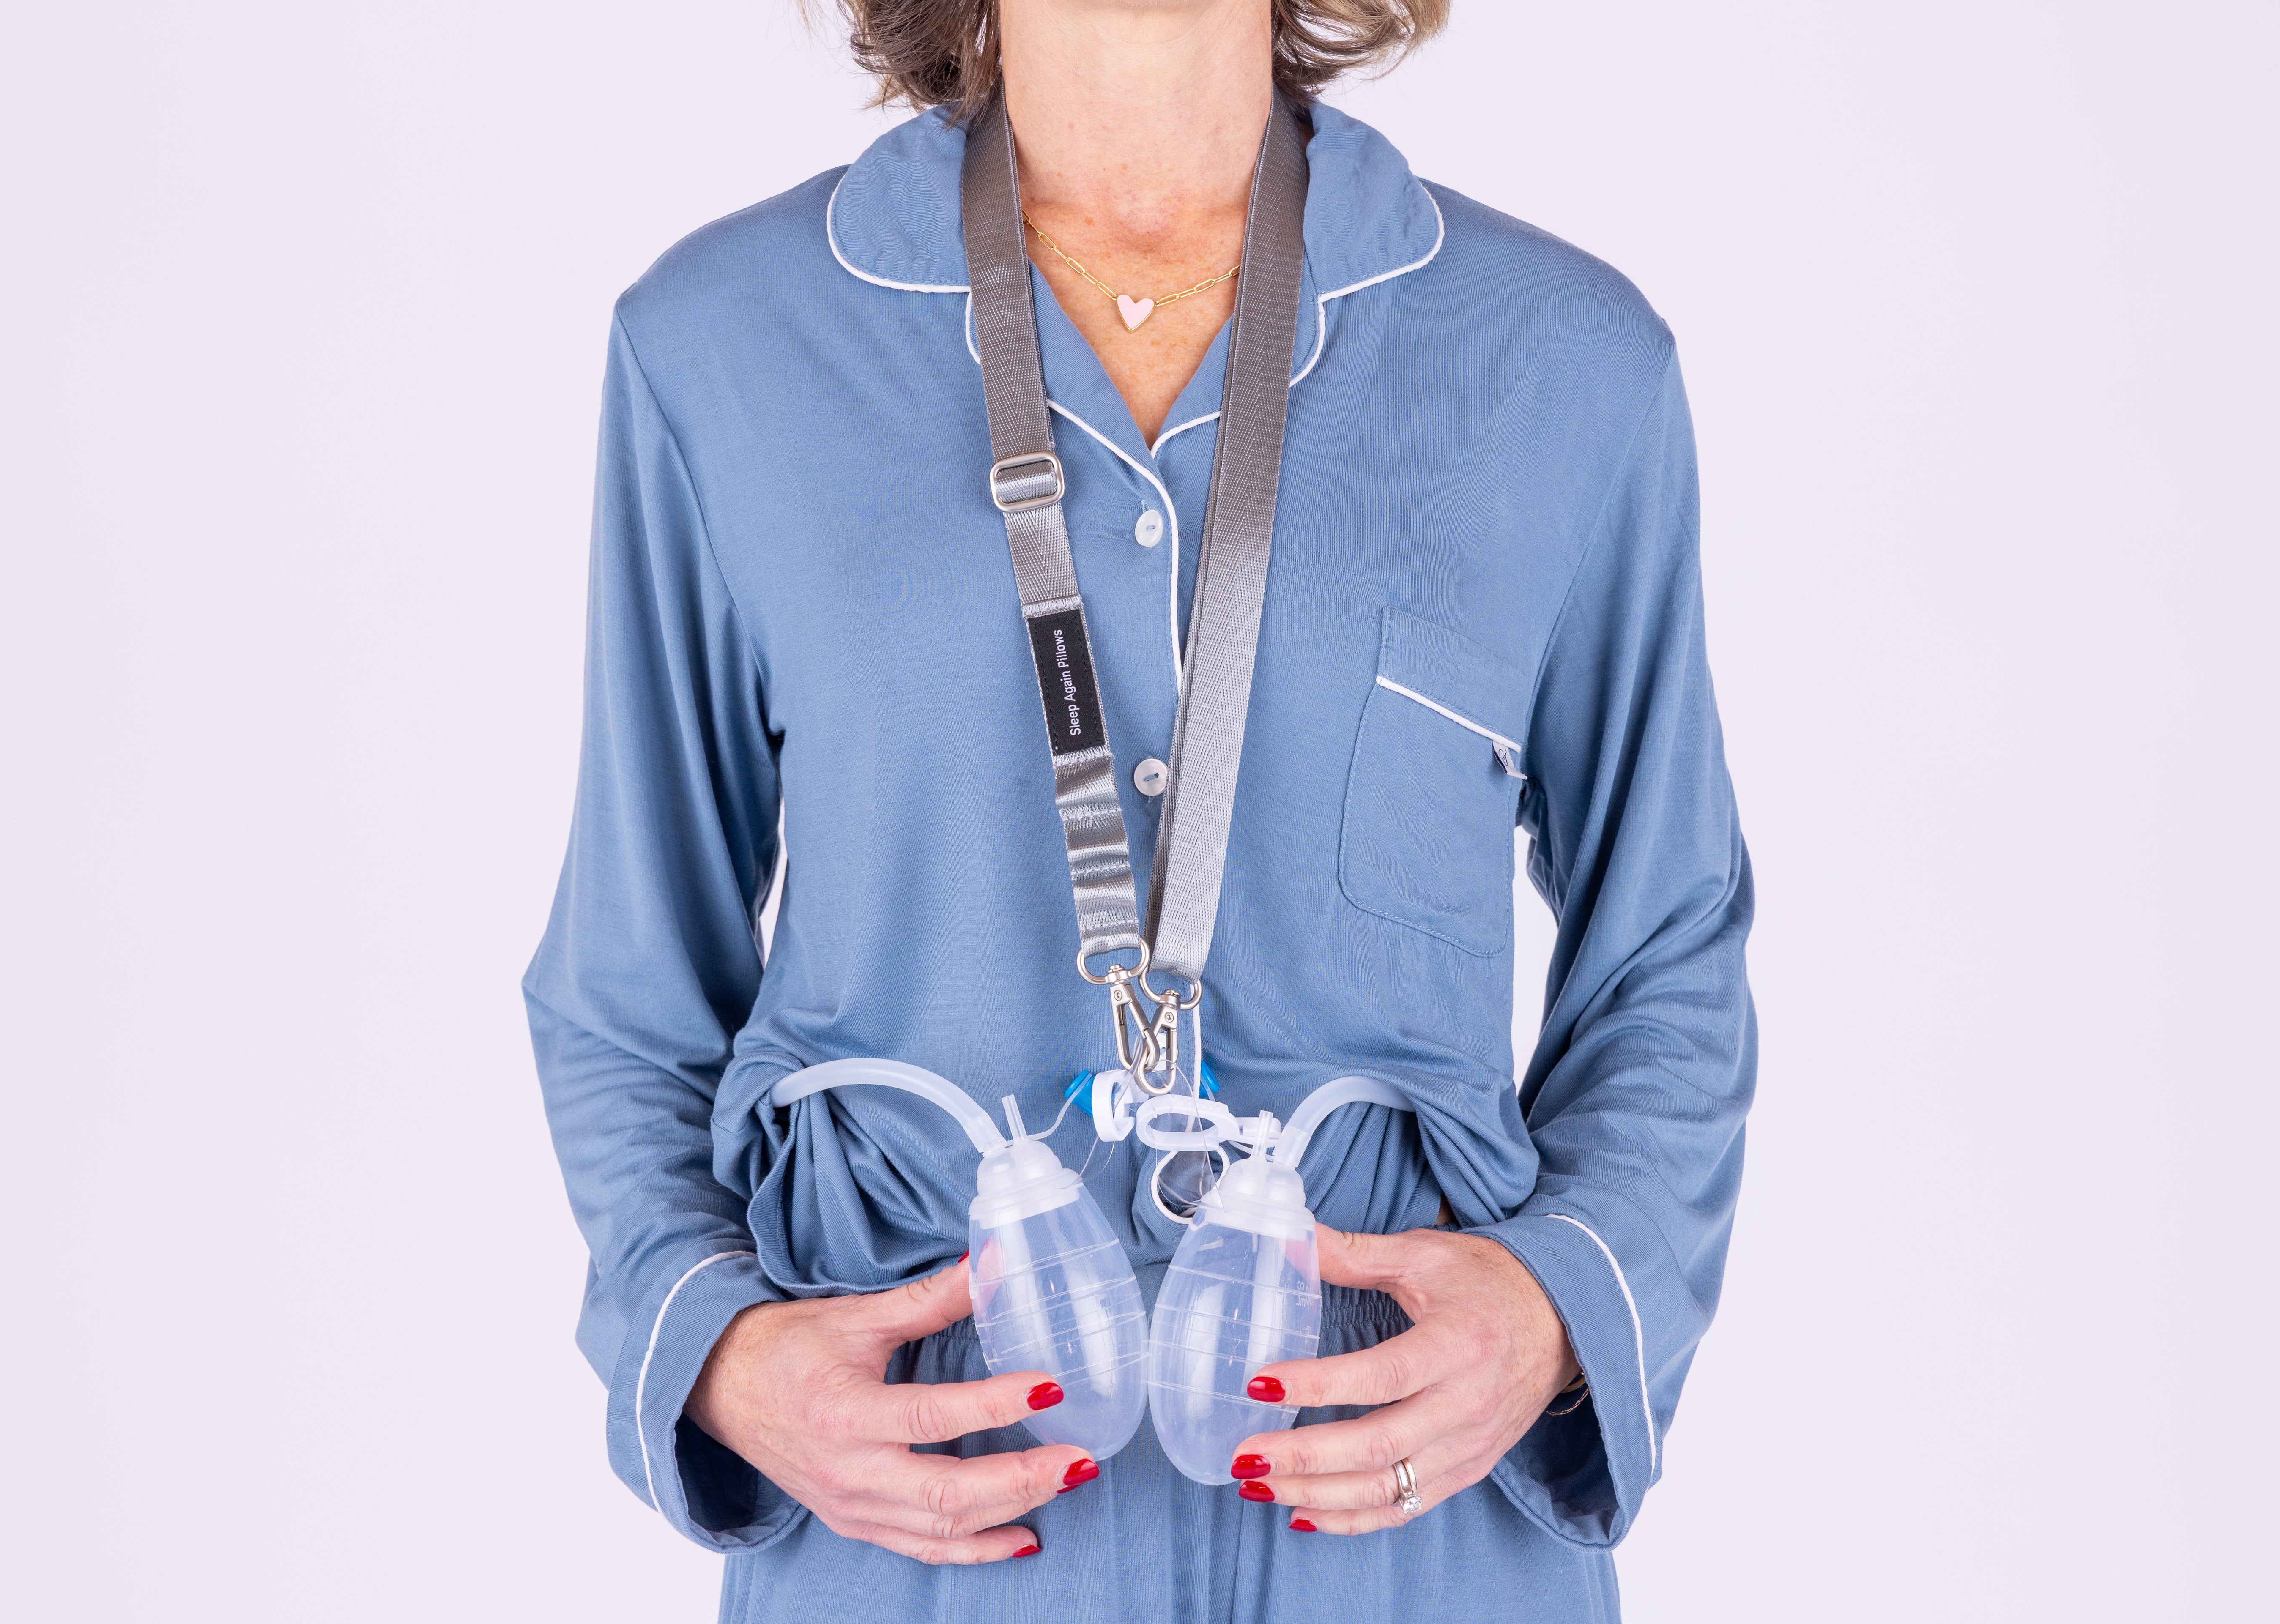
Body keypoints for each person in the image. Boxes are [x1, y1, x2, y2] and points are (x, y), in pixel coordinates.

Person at [524, 0, 1755, 1617]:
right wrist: (727, 1352)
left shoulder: (1562, 364)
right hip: (929, 1511)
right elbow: (625, 993)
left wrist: (1551, 1314)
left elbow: (1670, 946)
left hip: (1400, 1503)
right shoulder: (723, 349)